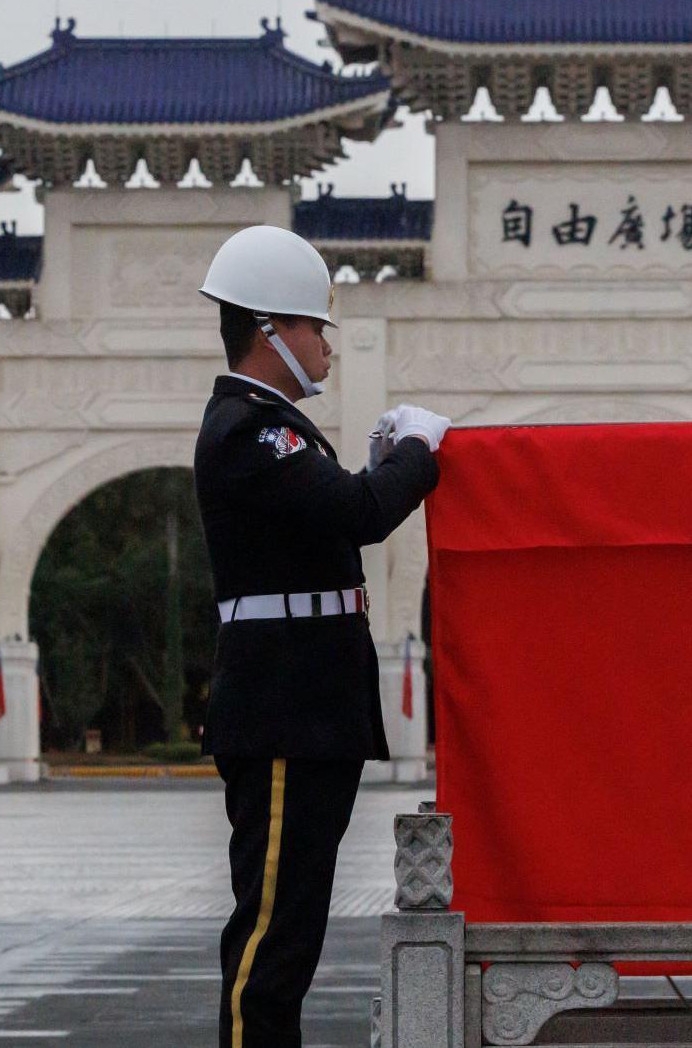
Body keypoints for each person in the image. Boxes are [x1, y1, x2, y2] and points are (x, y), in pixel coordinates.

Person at [194, 224, 449, 1048]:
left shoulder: (279, 427)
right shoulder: (248, 428)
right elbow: (359, 513)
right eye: (315, 326)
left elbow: (334, 511)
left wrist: (377, 464)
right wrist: (418, 453)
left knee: (291, 933)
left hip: (308, 714)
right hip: (282, 715)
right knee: (270, 938)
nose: (326, 344)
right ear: (270, 330)